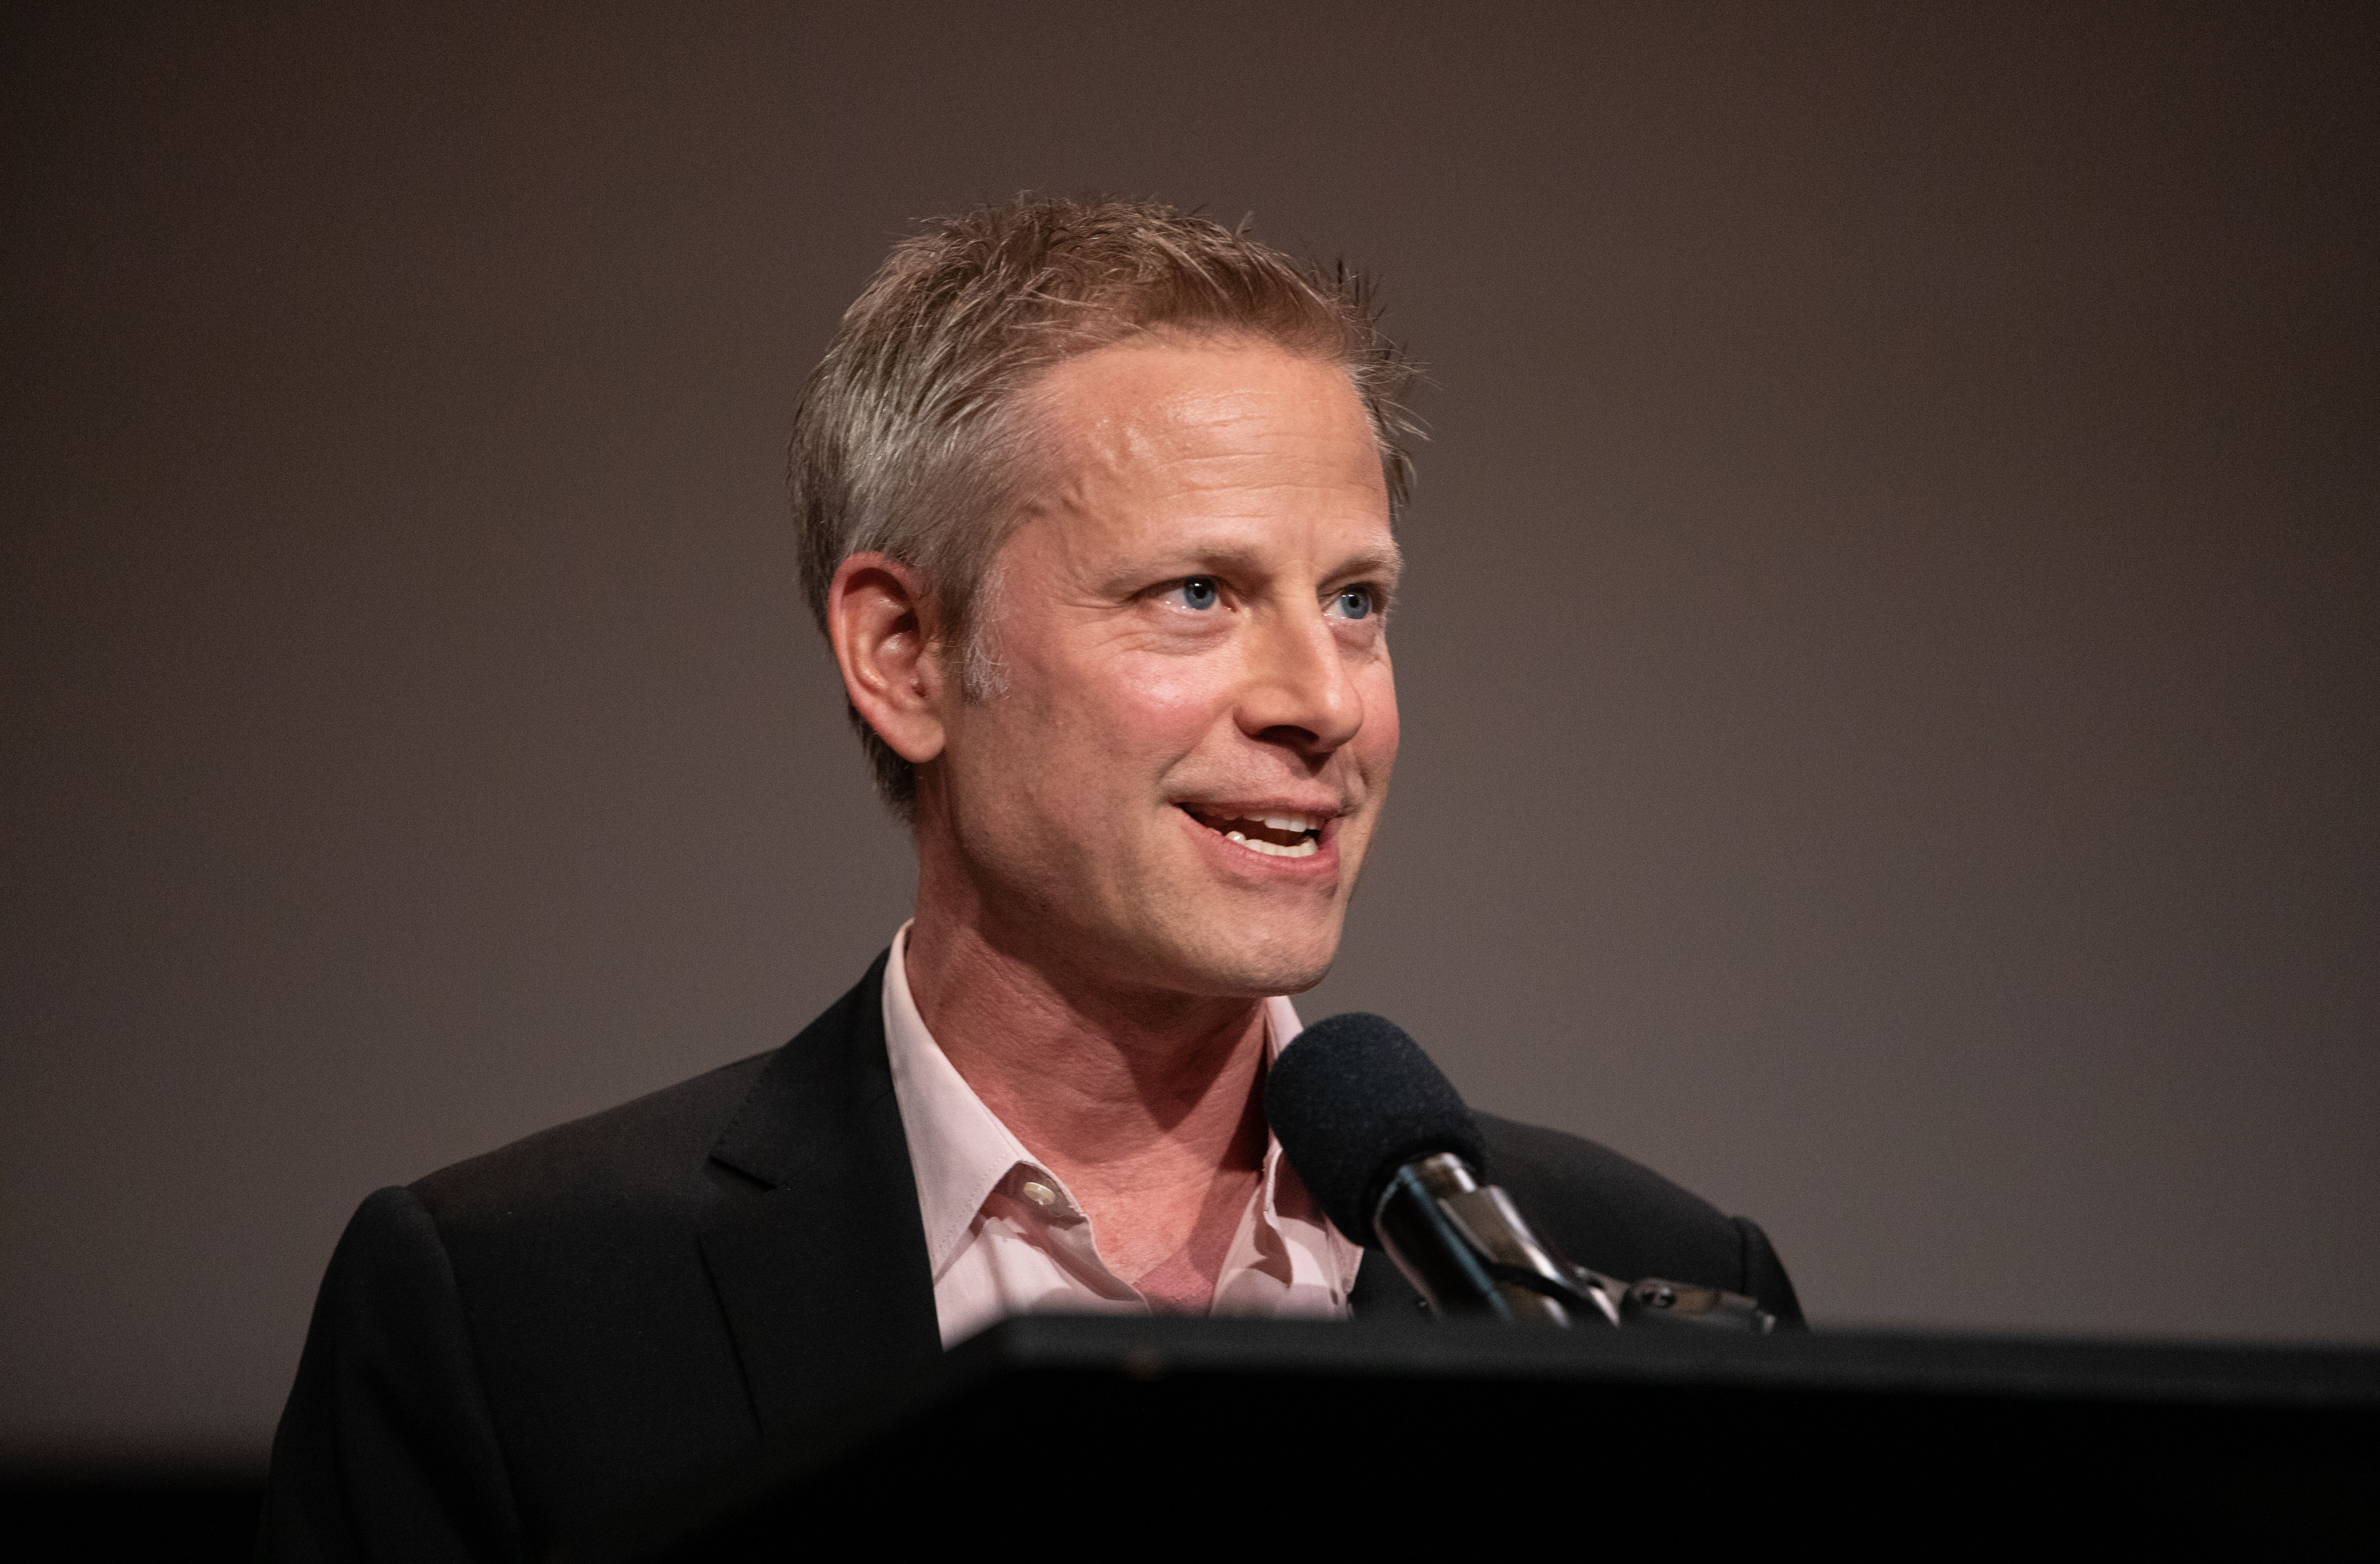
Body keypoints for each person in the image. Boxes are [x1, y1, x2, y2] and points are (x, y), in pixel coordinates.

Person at [258, 195, 1803, 1562]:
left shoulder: (1652, 1281)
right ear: (903, 653)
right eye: (1195, 593)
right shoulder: (511, 1313)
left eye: (1353, 600)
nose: (1320, 699)